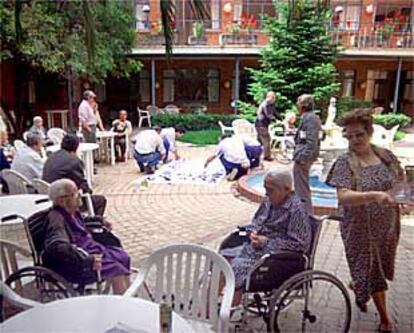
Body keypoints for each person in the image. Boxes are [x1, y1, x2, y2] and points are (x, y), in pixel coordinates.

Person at [326, 108, 411, 333]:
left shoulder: (385, 156)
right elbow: (343, 196)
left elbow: (400, 182)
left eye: (359, 134)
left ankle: (359, 285)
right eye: (349, 135)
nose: (354, 140)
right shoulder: (345, 163)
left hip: (387, 225)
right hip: (358, 228)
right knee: (372, 270)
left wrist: (402, 198)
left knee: (379, 266)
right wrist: (373, 196)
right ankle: (385, 319)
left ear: (369, 132)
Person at [222, 169, 311, 305]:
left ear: (287, 189)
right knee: (221, 259)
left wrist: (266, 242)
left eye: (270, 190)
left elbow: (300, 244)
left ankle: (223, 315)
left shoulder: (296, 209)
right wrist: (249, 232)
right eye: (265, 188)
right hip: (254, 248)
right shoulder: (269, 200)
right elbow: (257, 222)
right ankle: (203, 309)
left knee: (235, 269)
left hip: (274, 258)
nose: (266, 193)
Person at [43, 179, 130, 294]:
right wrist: (87, 259)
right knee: (117, 272)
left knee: (123, 257)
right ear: (62, 200)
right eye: (75, 193)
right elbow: (58, 246)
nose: (80, 194)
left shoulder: (72, 211)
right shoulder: (56, 219)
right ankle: (122, 306)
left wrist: (100, 220)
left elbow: (82, 222)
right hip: (79, 261)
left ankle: (130, 296)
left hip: (93, 249)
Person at [43, 134, 107, 217]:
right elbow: (84, 187)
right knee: (100, 201)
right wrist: (88, 192)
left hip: (49, 196)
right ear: (76, 147)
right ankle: (93, 225)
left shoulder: (51, 157)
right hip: (63, 201)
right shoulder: (73, 161)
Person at [293, 94, 322, 213]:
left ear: (304, 105)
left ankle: (305, 215)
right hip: (302, 155)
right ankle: (303, 214)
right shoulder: (309, 117)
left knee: (302, 189)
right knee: (301, 187)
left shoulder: (310, 118)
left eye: (298, 103)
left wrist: (303, 157)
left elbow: (312, 141)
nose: (297, 105)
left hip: (303, 157)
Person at [255, 91, 283, 161]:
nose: (274, 99)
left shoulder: (271, 105)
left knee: (259, 141)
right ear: (269, 97)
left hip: (263, 125)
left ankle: (256, 155)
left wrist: (281, 119)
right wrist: (275, 120)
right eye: (273, 97)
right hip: (261, 124)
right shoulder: (265, 104)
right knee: (266, 139)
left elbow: (275, 112)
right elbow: (268, 114)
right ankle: (266, 156)